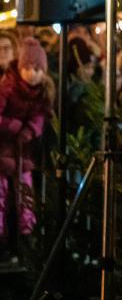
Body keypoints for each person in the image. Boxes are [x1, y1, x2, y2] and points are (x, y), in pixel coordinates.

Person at [0, 39, 55, 245]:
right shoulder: (8, 87)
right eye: (29, 68)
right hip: (4, 151)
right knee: (1, 195)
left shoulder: (41, 94)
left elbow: (40, 117)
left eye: (37, 69)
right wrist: (13, 126)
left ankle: (26, 232)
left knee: (26, 194)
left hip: (24, 152)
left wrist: (31, 130)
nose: (33, 74)